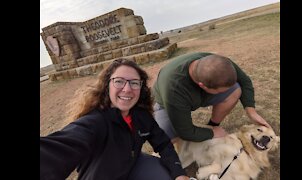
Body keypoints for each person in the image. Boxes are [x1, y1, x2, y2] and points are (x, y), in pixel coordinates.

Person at [40, 59, 190, 180]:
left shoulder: (141, 115)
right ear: (107, 86)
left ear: (141, 88)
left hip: (133, 165)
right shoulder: (94, 122)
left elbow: (163, 144)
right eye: (119, 81)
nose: (127, 89)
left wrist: (179, 173)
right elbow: (59, 148)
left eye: (134, 83)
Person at [152, 52, 271, 143]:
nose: (223, 93)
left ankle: (213, 124)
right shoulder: (173, 89)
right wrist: (212, 133)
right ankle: (212, 129)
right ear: (202, 86)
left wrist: (251, 111)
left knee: (235, 90)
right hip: (167, 105)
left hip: (196, 95)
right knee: (167, 139)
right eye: (220, 91)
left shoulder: (217, 62)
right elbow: (185, 132)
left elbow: (244, 81)